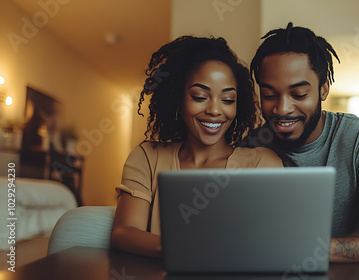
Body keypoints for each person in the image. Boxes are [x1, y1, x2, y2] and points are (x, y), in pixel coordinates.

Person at [243, 22, 359, 262]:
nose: (282, 108)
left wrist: (300, 250)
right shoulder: (249, 149)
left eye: (299, 94)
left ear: (323, 89)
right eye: (269, 95)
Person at [111, 36, 283, 258]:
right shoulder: (147, 157)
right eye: (200, 96)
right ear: (178, 98)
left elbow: (269, 241)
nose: (214, 110)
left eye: (228, 100)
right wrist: (191, 251)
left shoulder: (262, 163)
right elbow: (124, 232)